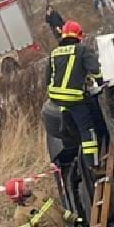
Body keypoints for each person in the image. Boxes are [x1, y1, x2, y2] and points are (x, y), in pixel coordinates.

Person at [46, 20, 103, 168]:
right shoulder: (81, 49)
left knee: (72, 121)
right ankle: (93, 164)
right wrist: (101, 83)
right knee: (88, 130)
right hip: (73, 98)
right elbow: (95, 69)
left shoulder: (54, 53)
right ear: (79, 35)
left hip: (56, 98)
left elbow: (50, 78)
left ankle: (65, 120)